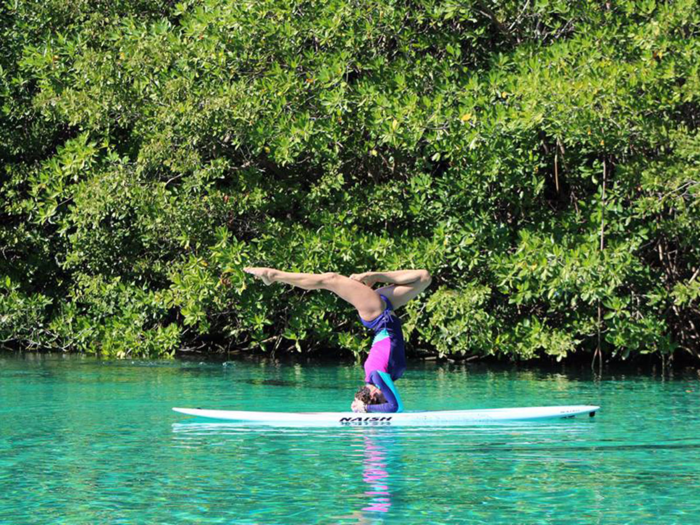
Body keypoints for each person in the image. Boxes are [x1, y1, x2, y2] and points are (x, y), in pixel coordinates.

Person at [242, 267, 432, 413]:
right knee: (424, 277)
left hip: (377, 314)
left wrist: (365, 408)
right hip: (384, 312)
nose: (386, 396)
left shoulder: (376, 375)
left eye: (381, 398)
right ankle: (375, 275)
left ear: (374, 393)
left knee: (330, 279)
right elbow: (393, 407)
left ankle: (272, 275)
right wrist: (365, 408)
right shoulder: (387, 375)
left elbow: (394, 407)